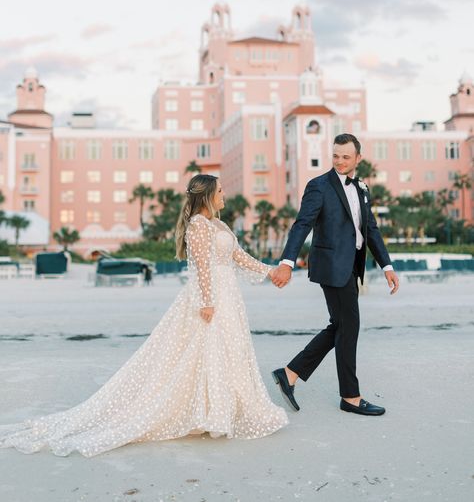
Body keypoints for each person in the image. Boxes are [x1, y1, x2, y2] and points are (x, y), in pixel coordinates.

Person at [0, 174, 288, 457]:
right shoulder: (199, 225)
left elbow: (238, 256)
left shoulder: (219, 224)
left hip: (229, 297)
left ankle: (220, 410)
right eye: (221, 191)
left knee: (227, 351)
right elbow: (201, 267)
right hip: (211, 297)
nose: (225, 195)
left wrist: (269, 270)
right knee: (204, 352)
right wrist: (207, 302)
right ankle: (208, 413)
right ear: (208, 196)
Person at [271, 133, 399, 416]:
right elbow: (302, 224)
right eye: (336, 156)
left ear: (358, 159)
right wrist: (287, 262)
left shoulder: (362, 189)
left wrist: (387, 266)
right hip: (330, 266)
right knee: (347, 326)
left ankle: (290, 373)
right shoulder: (319, 186)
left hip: (351, 266)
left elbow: (371, 230)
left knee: (340, 326)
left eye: (346, 157)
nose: (339, 161)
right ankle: (350, 397)